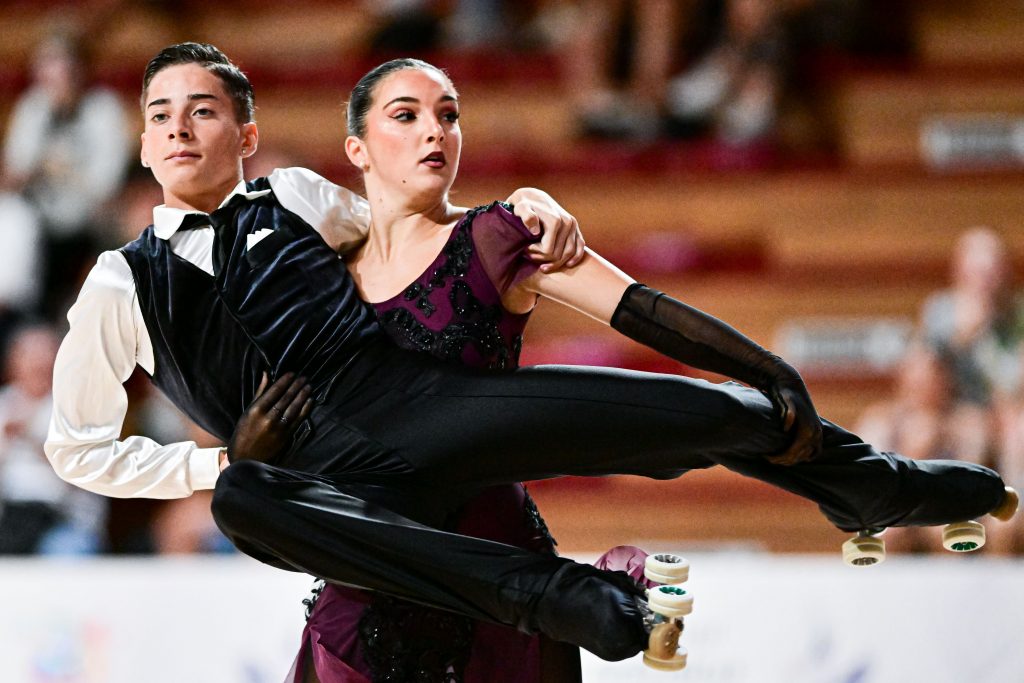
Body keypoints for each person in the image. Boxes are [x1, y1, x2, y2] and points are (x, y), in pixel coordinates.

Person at [46, 44, 1015, 665]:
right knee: (239, 499)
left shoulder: (297, 195)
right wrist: (214, 458)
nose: (180, 127)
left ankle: (869, 484)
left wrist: (525, 212)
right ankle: (564, 597)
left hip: (410, 403)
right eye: (161, 114)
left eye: (203, 110)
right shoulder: (116, 286)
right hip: (317, 482)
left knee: (696, 413)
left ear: (246, 132)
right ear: (142, 144)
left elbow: (412, 222)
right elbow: (75, 447)